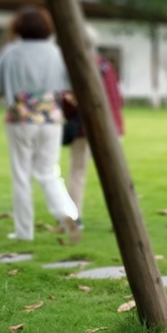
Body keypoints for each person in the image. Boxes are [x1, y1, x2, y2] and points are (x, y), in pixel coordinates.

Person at [0, 6, 81, 243]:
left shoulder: (11, 53)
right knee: (49, 172)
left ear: (18, 27)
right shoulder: (56, 53)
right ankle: (68, 214)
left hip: (20, 119)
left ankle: (23, 232)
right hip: (51, 118)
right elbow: (71, 89)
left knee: (21, 175)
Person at [63, 26, 124, 228]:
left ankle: (75, 218)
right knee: (115, 174)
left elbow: (68, 101)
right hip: (111, 128)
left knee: (77, 172)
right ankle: (123, 221)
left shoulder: (75, 68)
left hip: (85, 129)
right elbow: (117, 98)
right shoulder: (106, 67)